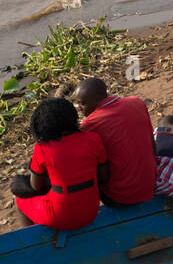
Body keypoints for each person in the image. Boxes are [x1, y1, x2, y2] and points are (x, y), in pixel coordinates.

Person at [11, 98, 108, 231]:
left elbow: (36, 186)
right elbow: (103, 176)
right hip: (90, 209)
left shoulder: (42, 147)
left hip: (60, 213)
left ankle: (35, 240)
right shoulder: (93, 138)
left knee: (18, 199)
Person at [74, 77, 156, 207]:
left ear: (96, 100)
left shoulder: (89, 124)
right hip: (151, 184)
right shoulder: (137, 102)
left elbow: (98, 172)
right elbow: (153, 146)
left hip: (120, 197)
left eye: (82, 103)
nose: (79, 108)